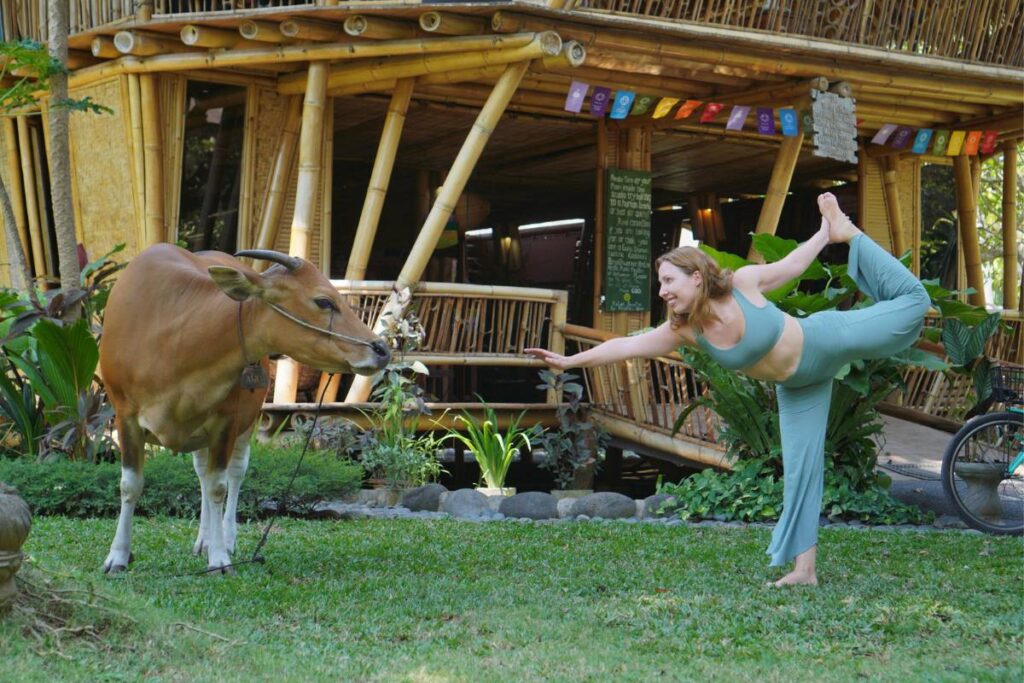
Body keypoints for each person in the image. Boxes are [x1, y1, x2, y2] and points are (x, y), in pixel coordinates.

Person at [525, 193, 930, 586]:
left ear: (696, 277)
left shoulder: (743, 284)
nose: (662, 290)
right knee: (800, 472)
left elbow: (793, 265)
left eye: (669, 280)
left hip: (824, 341)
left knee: (915, 301)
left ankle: (851, 232)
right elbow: (626, 346)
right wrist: (570, 362)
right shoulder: (685, 330)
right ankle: (804, 571)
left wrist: (829, 232)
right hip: (798, 387)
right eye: (661, 283)